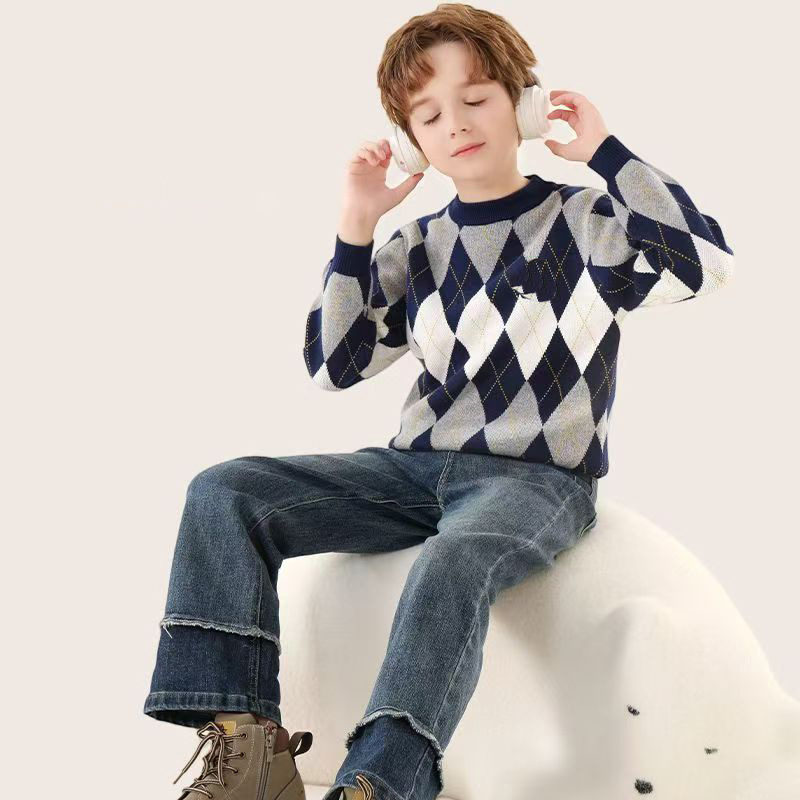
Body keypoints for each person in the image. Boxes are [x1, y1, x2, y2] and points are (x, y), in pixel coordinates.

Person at [143, 4, 736, 800]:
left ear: (525, 105)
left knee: (454, 558)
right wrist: (357, 226)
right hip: (411, 471)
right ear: (411, 141)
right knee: (225, 491)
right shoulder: (416, 246)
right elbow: (334, 364)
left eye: (477, 98)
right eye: (428, 115)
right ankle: (249, 749)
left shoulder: (586, 224)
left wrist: (606, 154)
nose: (455, 123)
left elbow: (705, 264)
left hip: (536, 480)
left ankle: (380, 782)